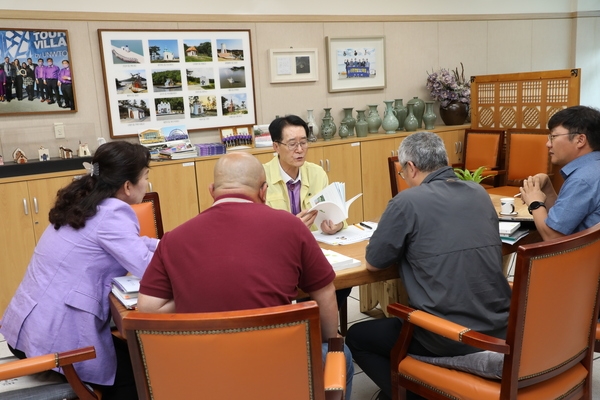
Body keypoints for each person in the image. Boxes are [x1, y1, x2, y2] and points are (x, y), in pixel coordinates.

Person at [137, 152, 353, 398]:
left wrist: (200, 291)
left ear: (211, 191)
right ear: (263, 191)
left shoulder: (173, 239)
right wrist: (330, 340)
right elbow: (324, 289)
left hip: (204, 375)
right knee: (340, 354)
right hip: (277, 373)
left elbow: (147, 308)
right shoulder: (291, 226)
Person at [346, 131, 511, 400]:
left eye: (402, 172)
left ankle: (413, 395)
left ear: (411, 167)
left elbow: (374, 262)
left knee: (357, 336)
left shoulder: (407, 202)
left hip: (447, 336)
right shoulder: (478, 193)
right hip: (497, 324)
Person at [0, 141, 158, 400]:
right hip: (56, 341)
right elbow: (148, 267)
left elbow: (131, 245)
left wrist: (169, 244)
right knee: (140, 374)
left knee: (130, 353)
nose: (147, 184)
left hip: (25, 331)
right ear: (128, 186)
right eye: (145, 177)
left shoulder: (85, 203)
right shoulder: (113, 213)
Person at [263, 115, 352, 308]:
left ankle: (321, 334)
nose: (300, 149)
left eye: (304, 143)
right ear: (276, 146)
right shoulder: (261, 177)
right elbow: (256, 230)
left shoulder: (316, 172)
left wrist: (335, 224)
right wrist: (292, 229)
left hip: (314, 253)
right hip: (277, 256)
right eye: (292, 144)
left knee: (343, 283)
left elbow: (335, 212)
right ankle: (311, 332)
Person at [520, 105, 600, 241]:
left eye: (553, 137)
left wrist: (535, 202)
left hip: (578, 259)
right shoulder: (593, 168)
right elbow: (563, 219)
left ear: (580, 140)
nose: (548, 144)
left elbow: (553, 237)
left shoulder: (582, 180)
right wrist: (548, 189)